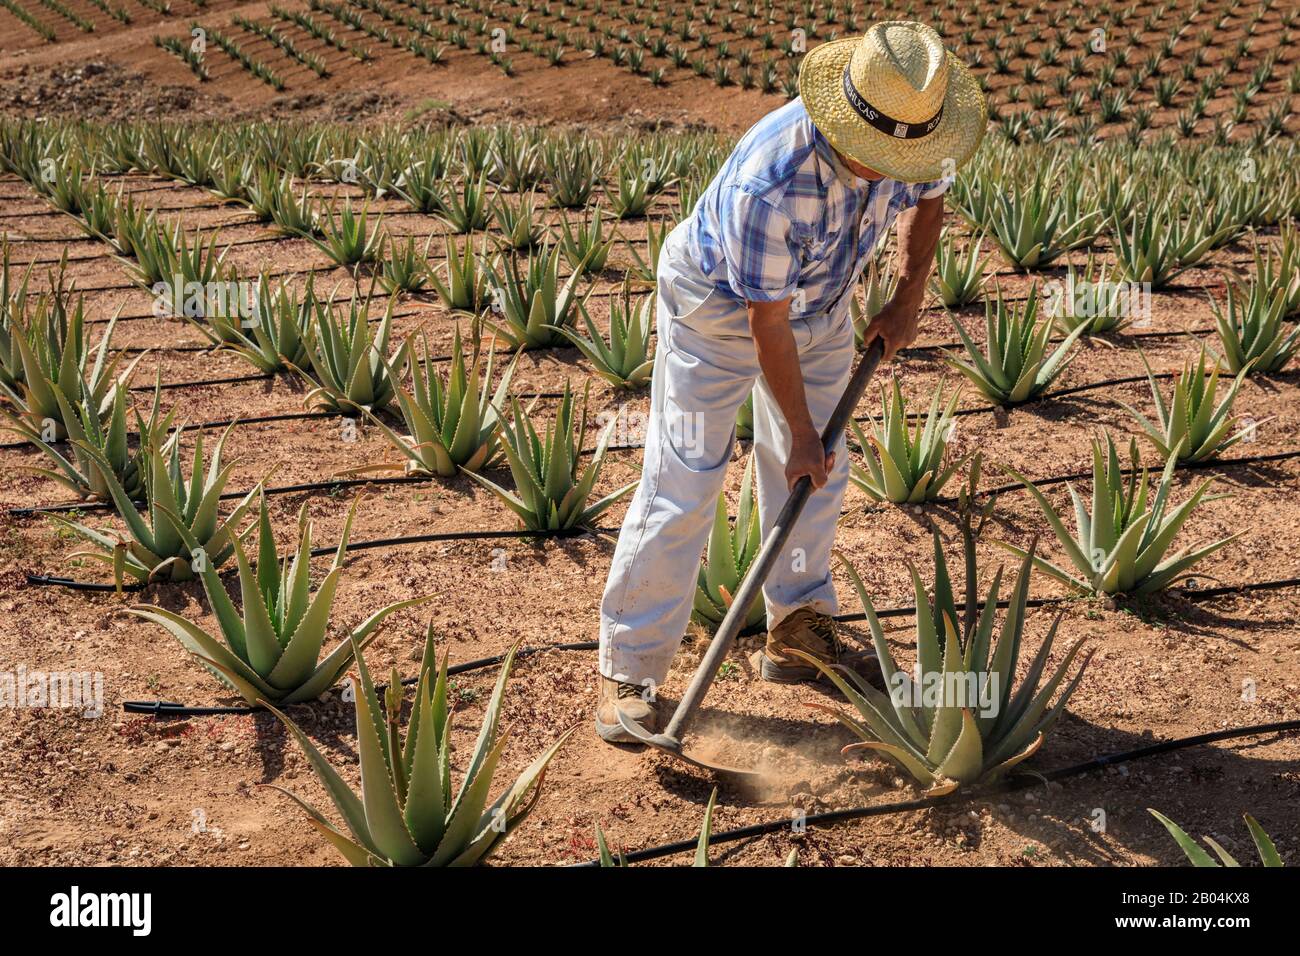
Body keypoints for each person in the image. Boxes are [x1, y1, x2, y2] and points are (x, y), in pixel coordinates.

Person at [596, 21, 988, 742]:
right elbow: (763, 323)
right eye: (881, 156)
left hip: (825, 300)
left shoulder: (915, 129)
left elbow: (931, 196)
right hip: (717, 307)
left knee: (819, 476)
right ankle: (633, 668)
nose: (897, 166)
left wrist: (907, 294)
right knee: (687, 473)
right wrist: (800, 433)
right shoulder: (772, 182)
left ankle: (798, 627)